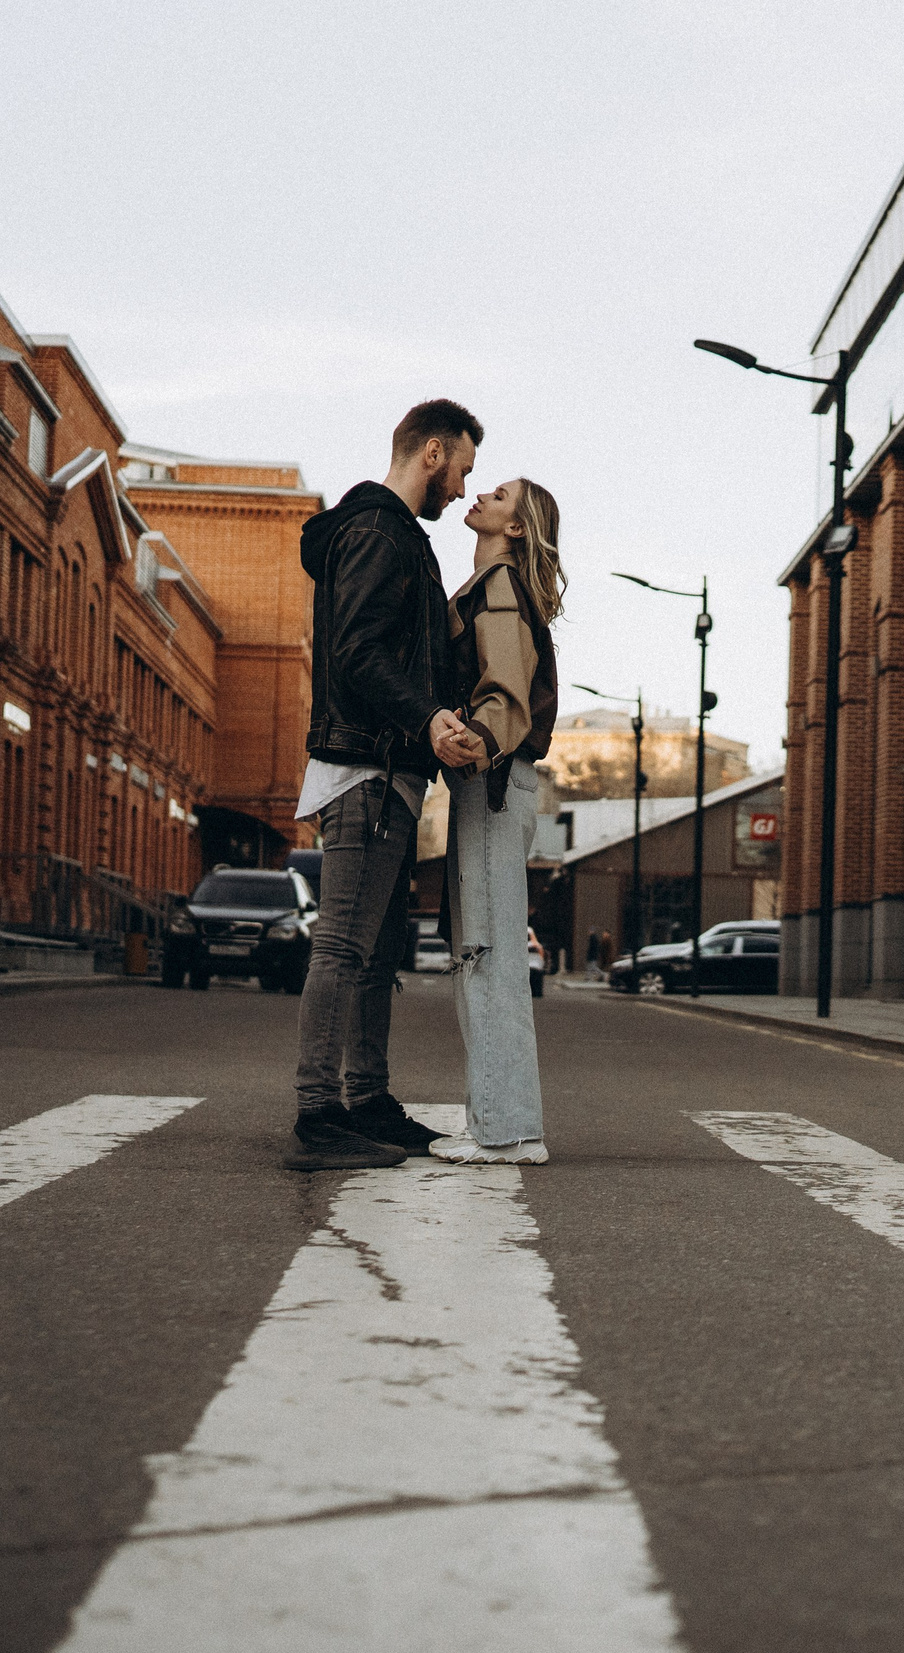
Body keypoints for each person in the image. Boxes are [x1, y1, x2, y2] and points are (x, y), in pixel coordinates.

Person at [284, 399, 487, 1170]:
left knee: (373, 954)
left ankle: (365, 1099)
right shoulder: (376, 530)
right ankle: (316, 1116)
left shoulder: (394, 536)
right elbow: (360, 654)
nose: (464, 488)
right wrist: (429, 715)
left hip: (390, 770)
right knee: (340, 945)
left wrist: (440, 712)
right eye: (462, 468)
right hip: (367, 767)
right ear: (432, 452)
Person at [427, 477, 565, 1165]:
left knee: (489, 953)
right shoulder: (487, 585)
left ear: (517, 527)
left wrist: (477, 739)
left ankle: (510, 1132)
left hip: (495, 782)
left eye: (500, 495)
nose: (479, 494)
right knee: (476, 950)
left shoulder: (500, 585)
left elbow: (505, 688)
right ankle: (494, 1116)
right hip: (492, 784)